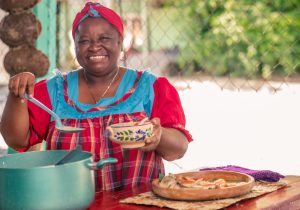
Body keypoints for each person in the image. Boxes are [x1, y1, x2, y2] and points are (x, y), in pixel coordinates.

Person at [0, 2, 192, 191]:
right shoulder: (53, 92)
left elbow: (178, 149)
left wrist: (158, 137)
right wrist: (18, 94)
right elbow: (17, 140)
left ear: (120, 41)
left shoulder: (150, 88)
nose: (94, 47)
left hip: (140, 203)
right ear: (74, 45)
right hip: (71, 203)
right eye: (84, 41)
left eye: (105, 38)